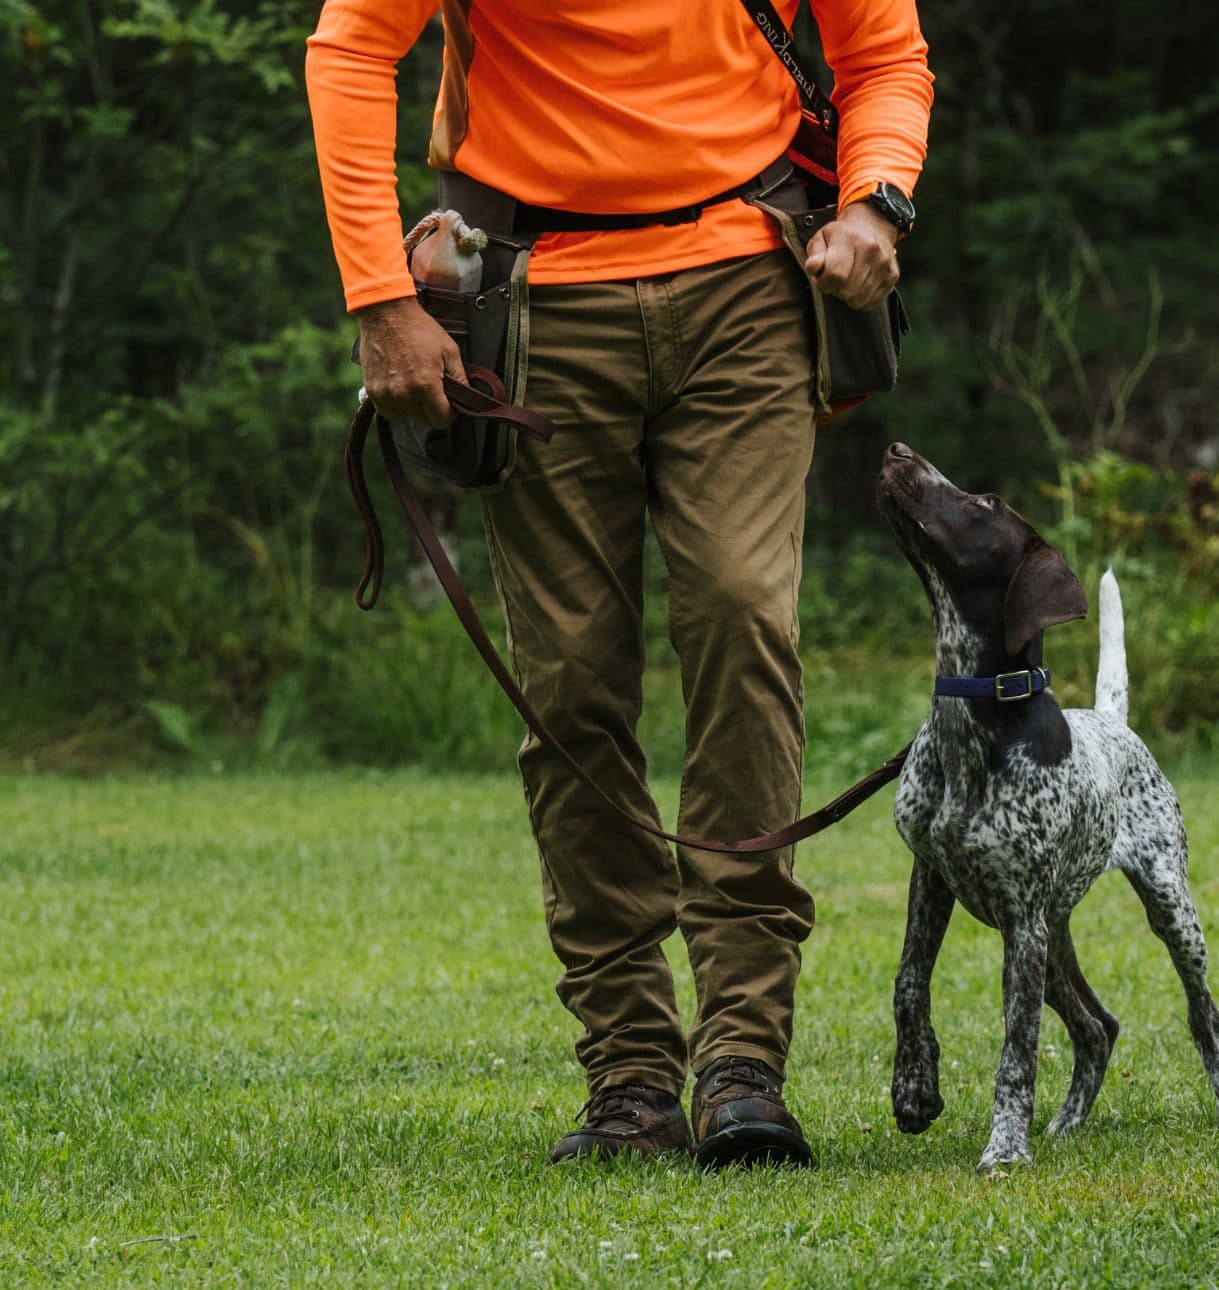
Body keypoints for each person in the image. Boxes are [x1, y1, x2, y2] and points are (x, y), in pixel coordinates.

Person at [305, 0, 933, 1167]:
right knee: (573, 680)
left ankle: (743, 1060)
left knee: (744, 617)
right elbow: (350, 50)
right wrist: (381, 300)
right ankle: (631, 1072)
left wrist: (874, 195)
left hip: (747, 278)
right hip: (533, 295)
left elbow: (884, 56)